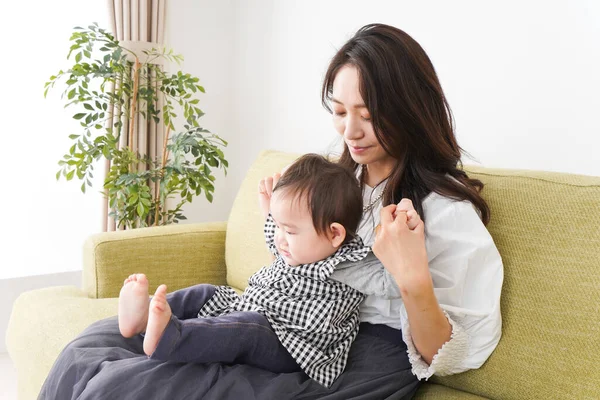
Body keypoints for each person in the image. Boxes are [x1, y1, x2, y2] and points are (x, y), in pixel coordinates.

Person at [39, 23, 503, 399]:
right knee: (88, 348)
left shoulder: (444, 211)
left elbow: (459, 351)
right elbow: (299, 268)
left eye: (368, 113)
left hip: (349, 357)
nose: (351, 131)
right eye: (340, 112)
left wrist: (412, 278)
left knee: (125, 384)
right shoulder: (339, 184)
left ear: (409, 109)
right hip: (283, 322)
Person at [117, 153, 404, 388]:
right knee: (207, 293)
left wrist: (394, 237)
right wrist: (271, 211)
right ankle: (143, 317)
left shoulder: (349, 262)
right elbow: (275, 232)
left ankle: (171, 337)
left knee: (247, 331)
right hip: (254, 308)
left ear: (335, 234)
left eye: (289, 230)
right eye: (278, 226)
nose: (279, 237)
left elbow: (390, 282)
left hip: (293, 343)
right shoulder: (292, 244)